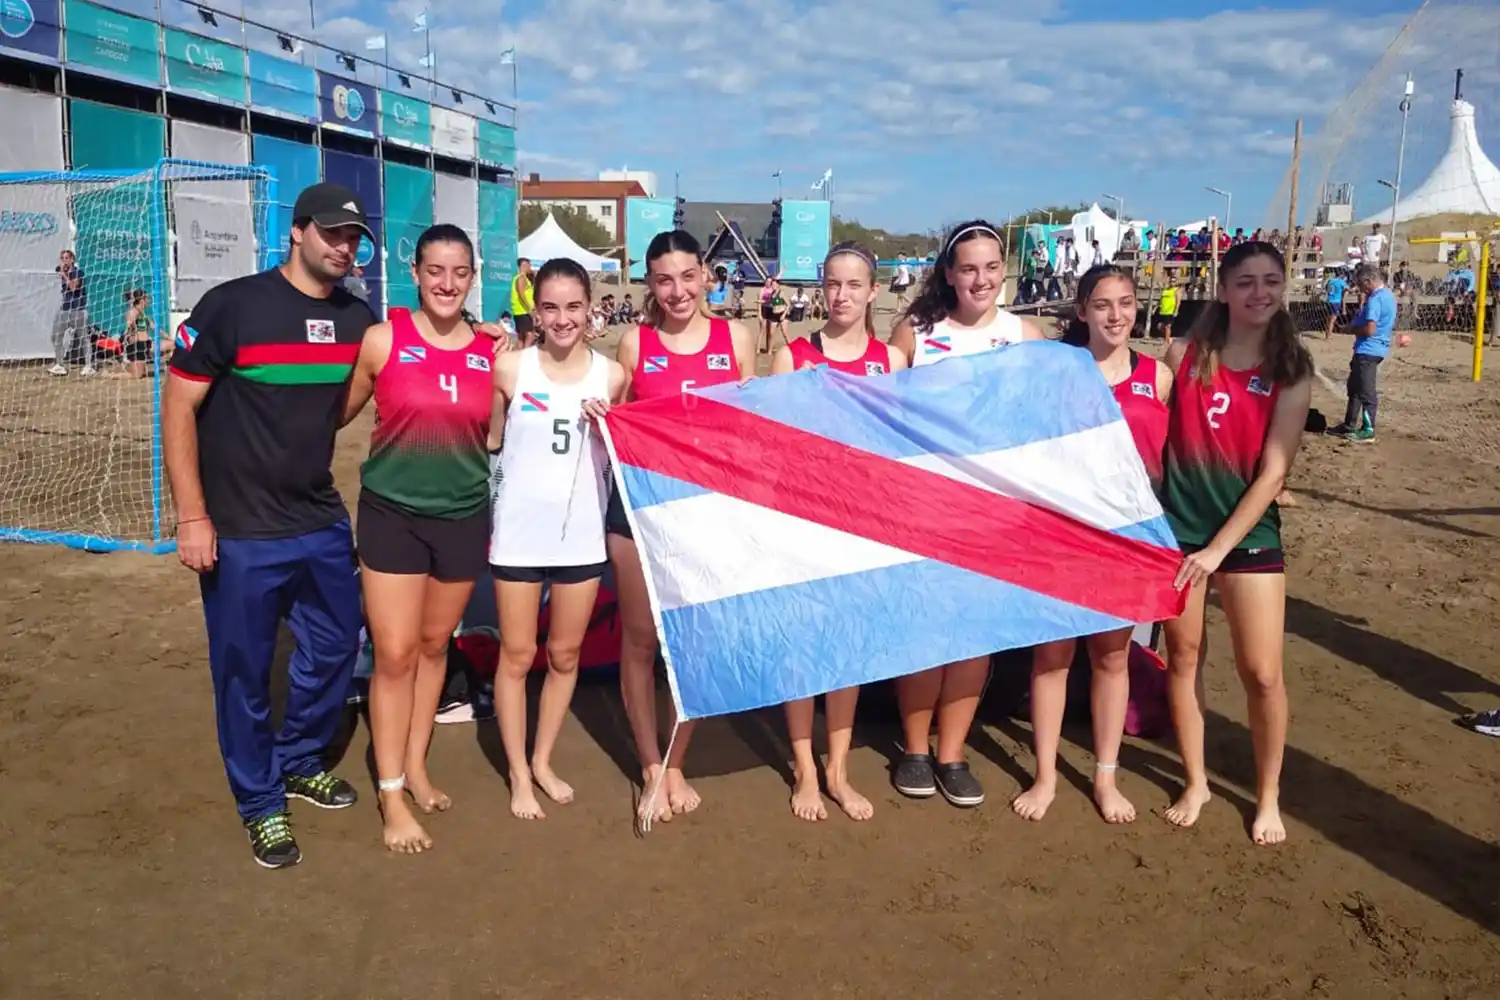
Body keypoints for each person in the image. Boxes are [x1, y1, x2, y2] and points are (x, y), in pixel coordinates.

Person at [162, 182, 375, 869]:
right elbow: (177, 410)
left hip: (316, 518)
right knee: (244, 672)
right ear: (297, 231)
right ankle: (260, 804)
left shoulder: (356, 318)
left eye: (352, 239)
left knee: (338, 647)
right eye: (331, 234)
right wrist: (193, 515)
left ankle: (297, 759)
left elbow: (340, 405)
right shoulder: (233, 306)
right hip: (240, 530)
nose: (342, 247)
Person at [340, 224, 494, 854]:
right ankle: (392, 793)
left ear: (472, 277)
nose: (448, 283)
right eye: (436, 271)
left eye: (460, 272)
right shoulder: (383, 340)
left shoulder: (491, 350)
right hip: (392, 515)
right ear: (417, 272)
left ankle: (417, 762)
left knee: (436, 646)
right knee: (395, 653)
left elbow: (500, 433)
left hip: (462, 517)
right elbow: (330, 414)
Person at [1159, 240, 1313, 846]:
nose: (1259, 293)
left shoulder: (1291, 373)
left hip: (1244, 538)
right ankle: (1195, 781)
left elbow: (1275, 475)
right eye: (1245, 281)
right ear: (1223, 289)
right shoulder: (1183, 354)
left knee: (1263, 674)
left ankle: (1267, 794)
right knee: (1184, 658)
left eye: (1271, 281)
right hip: (1177, 532)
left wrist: (1218, 549)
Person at [886, 220, 1044, 808]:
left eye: (991, 266)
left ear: (1005, 270)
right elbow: (870, 395)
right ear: (949, 274)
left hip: (994, 511)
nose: (980, 279)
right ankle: (915, 749)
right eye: (968, 268)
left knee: (974, 638)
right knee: (927, 634)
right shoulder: (918, 331)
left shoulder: (1025, 334)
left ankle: (952, 753)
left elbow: (1049, 416)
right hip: (926, 504)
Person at [1011, 266, 1171, 825]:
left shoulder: (1159, 376)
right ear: (1081, 311)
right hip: (1064, 534)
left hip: (1127, 540)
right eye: (1101, 304)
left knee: (1110, 657)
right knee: (1052, 658)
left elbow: (1167, 468)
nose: (1115, 315)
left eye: (1125, 303)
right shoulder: (1059, 374)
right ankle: (1046, 775)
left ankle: (1106, 776)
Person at [609, 230, 757, 826]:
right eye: (664, 279)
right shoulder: (634, 342)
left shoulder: (736, 338)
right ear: (650, 283)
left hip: (705, 513)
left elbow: (754, 429)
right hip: (638, 514)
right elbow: (610, 415)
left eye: (688, 276)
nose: (678, 291)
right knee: (641, 642)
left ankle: (676, 760)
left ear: (706, 276)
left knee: (693, 644)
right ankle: (650, 764)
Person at [769, 242, 908, 822]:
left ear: (873, 291)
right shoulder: (793, 357)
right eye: (832, 284)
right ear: (819, 289)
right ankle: (804, 768)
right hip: (806, 522)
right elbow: (771, 447)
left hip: (866, 526)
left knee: (848, 654)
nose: (842, 295)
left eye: (854, 285)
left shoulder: (892, 363)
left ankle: (838, 769)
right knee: (804, 651)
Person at [488, 258, 625, 820]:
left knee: (564, 655)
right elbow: (493, 441)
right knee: (518, 655)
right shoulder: (509, 370)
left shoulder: (613, 377)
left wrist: (608, 428)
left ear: (591, 308)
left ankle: (543, 759)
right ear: (535, 311)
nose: (563, 319)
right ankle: (517, 773)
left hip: (582, 539)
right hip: (519, 536)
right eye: (551, 307)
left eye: (574, 306)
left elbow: (622, 459)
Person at [1328, 263, 1395, 443]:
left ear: (1368, 281)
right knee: (1355, 388)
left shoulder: (1376, 299)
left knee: (1366, 390)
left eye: (1360, 284)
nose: (1359, 288)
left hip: (1368, 350)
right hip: (1372, 349)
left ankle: (1368, 430)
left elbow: (1370, 329)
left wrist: (1350, 329)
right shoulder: (1388, 295)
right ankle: (1349, 425)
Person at [51, 249, 93, 377]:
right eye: (62, 258)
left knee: (83, 337)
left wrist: (64, 275)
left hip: (78, 309)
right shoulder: (64, 272)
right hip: (66, 309)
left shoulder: (78, 272)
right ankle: (60, 365)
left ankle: (88, 366)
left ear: (72, 260)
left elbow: (74, 287)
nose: (64, 260)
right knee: (56, 336)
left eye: (67, 258)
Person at [121, 288, 156, 379]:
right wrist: (131, 331)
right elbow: (129, 327)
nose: (149, 301)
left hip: (146, 344)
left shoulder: (143, 313)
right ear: (141, 301)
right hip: (137, 346)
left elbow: (154, 327)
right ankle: (109, 375)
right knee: (137, 376)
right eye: (147, 299)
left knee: (172, 344)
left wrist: (168, 337)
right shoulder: (133, 312)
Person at [511, 257, 537, 345]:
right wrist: (529, 308)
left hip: (520, 310)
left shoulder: (522, 278)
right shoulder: (521, 278)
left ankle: (520, 354)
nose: (529, 267)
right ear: (522, 266)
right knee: (530, 334)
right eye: (527, 265)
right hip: (523, 310)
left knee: (521, 336)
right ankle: (525, 353)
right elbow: (521, 294)